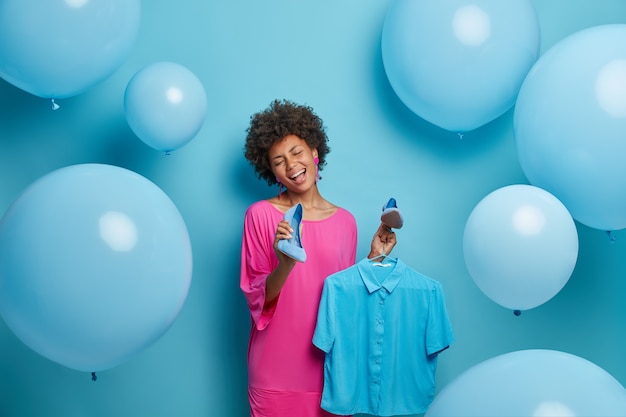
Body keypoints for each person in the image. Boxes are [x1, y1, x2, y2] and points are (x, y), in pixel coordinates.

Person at [240, 99, 397, 417]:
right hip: (276, 369)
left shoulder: (345, 221)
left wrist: (375, 258)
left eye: (296, 152)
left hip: (332, 369)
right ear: (272, 173)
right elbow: (258, 297)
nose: (292, 165)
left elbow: (347, 297)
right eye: (278, 161)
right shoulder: (260, 215)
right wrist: (285, 264)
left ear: (314, 152)